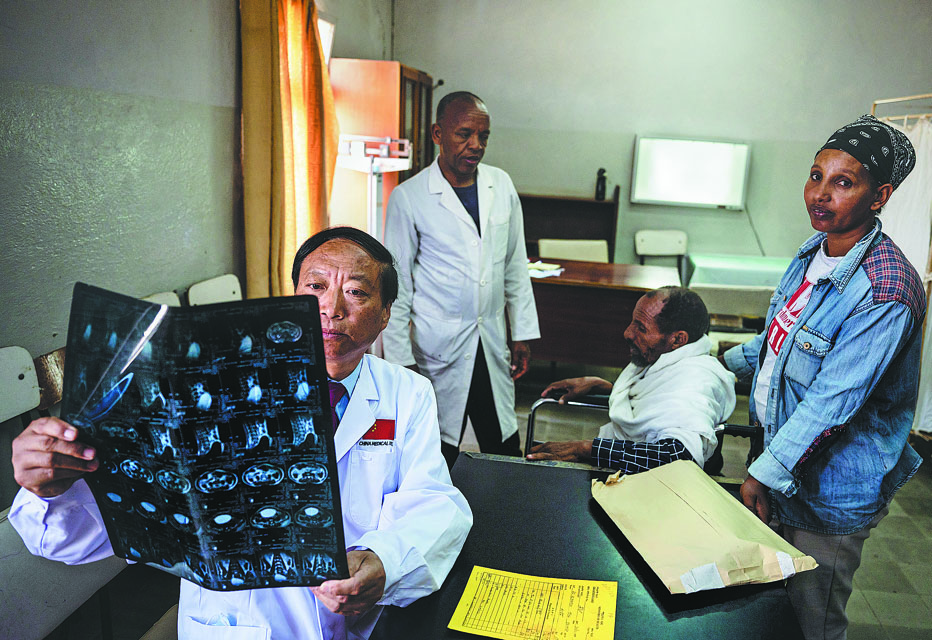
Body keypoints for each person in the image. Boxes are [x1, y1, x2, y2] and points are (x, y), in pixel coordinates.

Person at [10, 227, 473, 640]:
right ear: (291, 295)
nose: (331, 309)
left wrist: (384, 560)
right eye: (315, 287)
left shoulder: (406, 393)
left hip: (364, 623)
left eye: (356, 292)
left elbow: (433, 500)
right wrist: (47, 489)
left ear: (386, 312)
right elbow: (84, 535)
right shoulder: (208, 394)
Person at [721, 115, 923, 640]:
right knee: (768, 607)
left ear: (879, 196)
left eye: (842, 182)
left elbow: (834, 400)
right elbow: (780, 341)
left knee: (812, 619)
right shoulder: (816, 250)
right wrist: (718, 361)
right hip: (778, 460)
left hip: (827, 488)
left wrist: (765, 472)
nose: (820, 194)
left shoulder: (885, 289)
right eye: (816, 176)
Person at [383, 91, 540, 468]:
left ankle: (507, 522)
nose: (476, 145)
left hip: (490, 344)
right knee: (436, 455)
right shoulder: (410, 198)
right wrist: (400, 360)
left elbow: (515, 264)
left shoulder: (500, 185)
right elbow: (397, 285)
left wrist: (521, 332)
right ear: (437, 134)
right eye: (464, 134)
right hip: (438, 350)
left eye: (483, 136)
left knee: (503, 450)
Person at [527, 286, 736, 472]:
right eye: (632, 323)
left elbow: (678, 458)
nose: (628, 333)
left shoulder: (696, 381)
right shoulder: (670, 361)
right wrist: (607, 387)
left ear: (678, 339)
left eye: (641, 328)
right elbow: (658, 399)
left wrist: (587, 449)